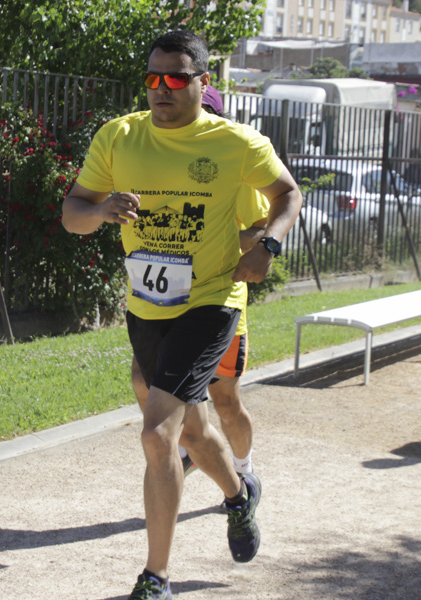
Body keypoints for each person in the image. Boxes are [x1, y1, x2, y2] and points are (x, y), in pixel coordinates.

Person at [61, 31, 302, 600]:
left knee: (157, 432)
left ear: (201, 82)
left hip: (212, 300)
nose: (161, 89)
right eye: (152, 78)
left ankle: (155, 577)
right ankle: (240, 497)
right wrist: (99, 211)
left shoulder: (235, 142)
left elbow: (287, 193)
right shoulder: (117, 137)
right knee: (192, 429)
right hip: (147, 305)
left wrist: (267, 247)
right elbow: (72, 214)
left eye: (175, 78)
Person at [130, 85, 262, 485]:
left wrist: (210, 243)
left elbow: (260, 230)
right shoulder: (155, 162)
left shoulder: (233, 167)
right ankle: (187, 447)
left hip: (217, 304)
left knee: (226, 401)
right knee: (150, 383)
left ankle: (244, 469)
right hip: (163, 304)